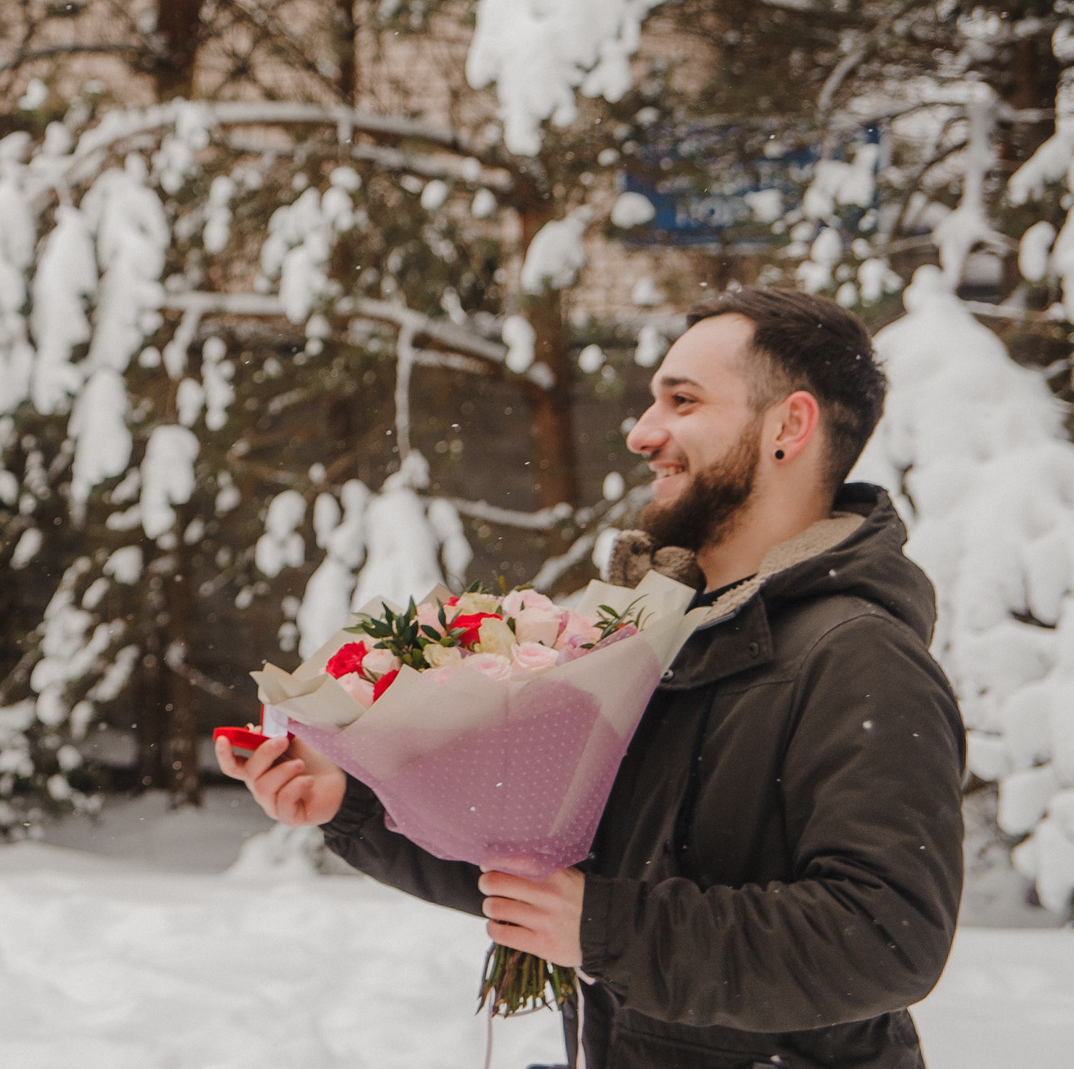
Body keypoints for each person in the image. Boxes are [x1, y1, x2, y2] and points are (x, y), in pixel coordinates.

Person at [221, 288, 966, 1067]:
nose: (643, 433)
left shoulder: (859, 657)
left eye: (682, 401)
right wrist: (349, 803)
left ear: (789, 426)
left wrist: (605, 928)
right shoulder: (656, 636)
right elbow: (548, 866)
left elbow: (887, 938)